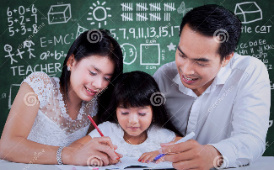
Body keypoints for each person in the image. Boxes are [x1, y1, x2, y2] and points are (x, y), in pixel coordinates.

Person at [153, 4, 270, 170]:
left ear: (226, 58)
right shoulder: (164, 76)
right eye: (181, 54)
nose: (186, 70)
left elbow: (251, 139)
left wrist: (214, 154)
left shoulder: (248, 72)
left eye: (200, 62)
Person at [0, 29, 124, 166]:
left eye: (107, 78)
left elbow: (81, 152)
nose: (99, 84)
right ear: (71, 62)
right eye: (93, 72)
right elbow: (7, 146)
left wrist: (100, 154)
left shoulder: (94, 106)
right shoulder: (40, 86)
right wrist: (68, 155)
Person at [73, 71, 183, 164]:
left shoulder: (158, 134)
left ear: (153, 113)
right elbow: (73, 148)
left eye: (142, 114)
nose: (133, 121)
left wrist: (162, 153)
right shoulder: (108, 130)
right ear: (115, 111)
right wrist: (96, 155)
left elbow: (186, 145)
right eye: (125, 113)